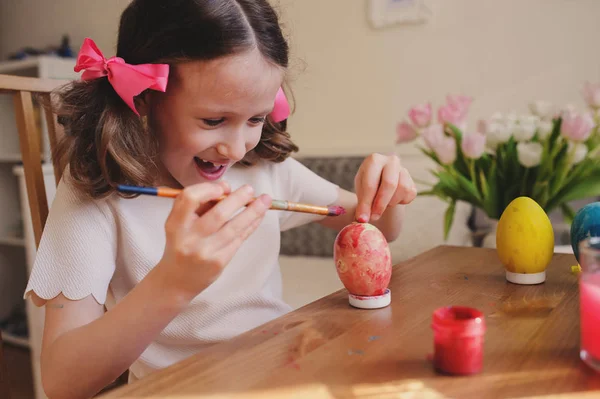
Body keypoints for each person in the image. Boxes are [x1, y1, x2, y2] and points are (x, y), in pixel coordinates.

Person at [24, 0, 417, 397]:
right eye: (213, 121)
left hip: (283, 377)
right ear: (142, 99)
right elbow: (62, 381)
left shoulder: (263, 167)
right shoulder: (100, 189)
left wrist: (387, 193)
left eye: (256, 119)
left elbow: (380, 228)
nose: (235, 149)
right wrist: (174, 283)